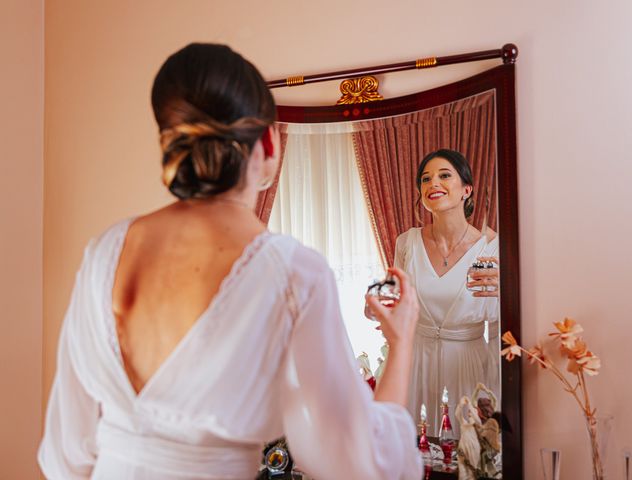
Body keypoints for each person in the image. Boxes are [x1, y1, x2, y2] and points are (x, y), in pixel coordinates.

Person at [37, 43, 423, 480]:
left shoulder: (104, 251)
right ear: (268, 140)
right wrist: (403, 341)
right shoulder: (293, 274)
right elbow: (359, 464)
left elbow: (66, 454)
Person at [393, 148, 500, 436]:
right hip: (417, 363)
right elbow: (397, 305)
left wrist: (494, 388)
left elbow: (500, 321)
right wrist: (379, 308)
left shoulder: (492, 248)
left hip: (467, 365)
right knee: (414, 449)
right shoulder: (407, 243)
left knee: (467, 453)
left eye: (444, 175)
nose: (432, 184)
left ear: (467, 189)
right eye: (425, 179)